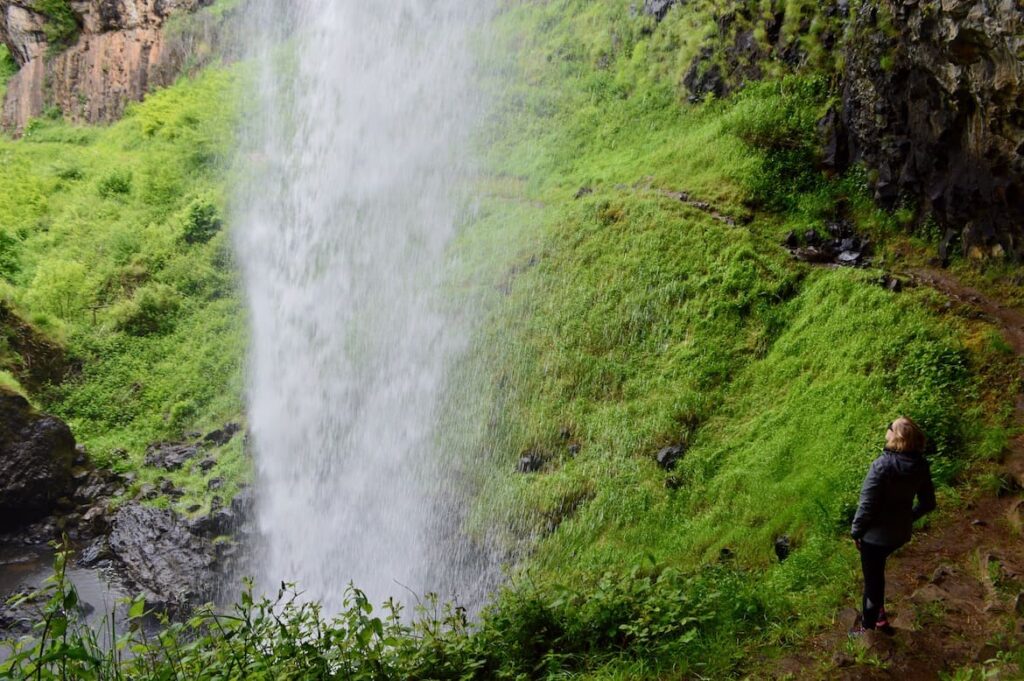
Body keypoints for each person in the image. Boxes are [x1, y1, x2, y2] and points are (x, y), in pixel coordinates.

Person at [850, 416, 936, 633]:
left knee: (873, 583)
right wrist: (908, 518)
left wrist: (856, 532)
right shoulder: (920, 466)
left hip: (874, 537)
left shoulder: (881, 466)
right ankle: (878, 617)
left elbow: (866, 505)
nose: (886, 428)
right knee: (876, 572)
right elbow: (928, 503)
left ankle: (868, 628)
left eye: (890, 426)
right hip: (899, 534)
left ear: (896, 437)